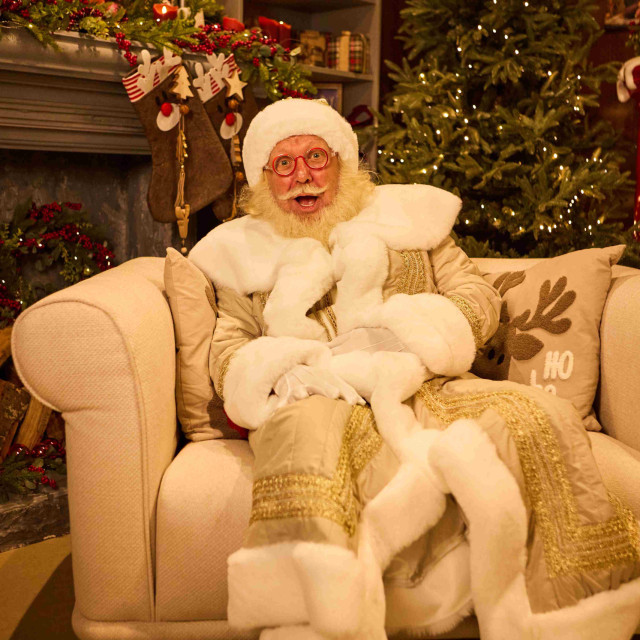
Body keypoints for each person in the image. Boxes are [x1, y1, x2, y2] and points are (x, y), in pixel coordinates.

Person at [189, 98, 640, 640]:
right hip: (320, 397)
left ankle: (558, 618)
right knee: (304, 441)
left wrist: (417, 328)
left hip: (426, 381)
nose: (302, 175)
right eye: (283, 164)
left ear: (342, 164)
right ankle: (326, 619)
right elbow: (229, 344)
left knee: (538, 416)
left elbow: (476, 292)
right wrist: (282, 370)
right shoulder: (238, 253)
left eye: (315, 157)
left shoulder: (405, 221)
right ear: (264, 178)